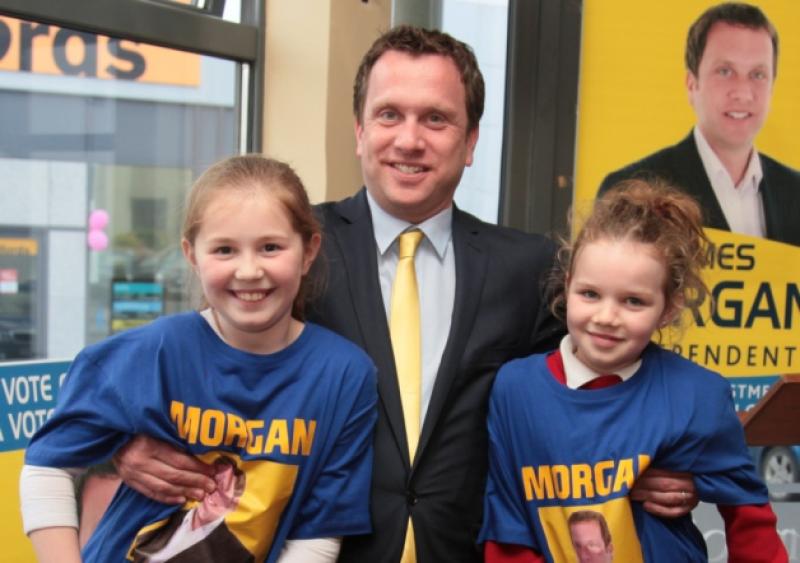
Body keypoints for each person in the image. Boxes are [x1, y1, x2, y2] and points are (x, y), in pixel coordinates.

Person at [112, 27, 699, 563]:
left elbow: (605, 383)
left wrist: (659, 461)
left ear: (470, 141)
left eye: (436, 119)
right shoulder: (287, 251)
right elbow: (191, 363)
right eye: (389, 114)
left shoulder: (533, 268)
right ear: (361, 130)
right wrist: (120, 448)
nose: (409, 140)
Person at [19, 155, 378, 563]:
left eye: (270, 247)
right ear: (191, 255)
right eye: (224, 249)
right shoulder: (150, 353)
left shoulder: (345, 375)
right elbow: (46, 468)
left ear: (309, 251)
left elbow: (319, 532)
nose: (248, 270)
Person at [479, 179, 787, 562]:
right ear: (567, 286)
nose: (607, 317)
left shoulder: (698, 394)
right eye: (590, 294)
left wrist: (695, 483)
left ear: (669, 308)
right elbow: (508, 529)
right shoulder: (516, 389)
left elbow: (749, 519)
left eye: (634, 301)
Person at [599, 2, 800, 246]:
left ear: (772, 87)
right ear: (692, 84)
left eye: (758, 74)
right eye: (725, 71)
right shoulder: (631, 193)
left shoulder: (794, 190)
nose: (743, 93)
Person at [131, 456, 251, 562]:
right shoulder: (162, 517)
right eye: (212, 480)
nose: (212, 488)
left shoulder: (238, 551)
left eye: (224, 488)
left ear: (234, 503)